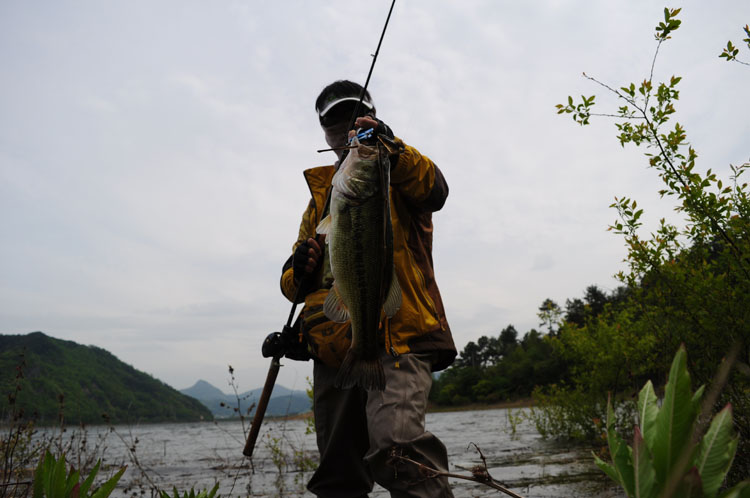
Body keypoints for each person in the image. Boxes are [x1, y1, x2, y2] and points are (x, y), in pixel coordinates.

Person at [279, 80, 456, 497]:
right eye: (334, 123)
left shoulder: (396, 171)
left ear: (372, 119)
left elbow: (436, 190)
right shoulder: (320, 199)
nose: (345, 129)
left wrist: (390, 146)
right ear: (324, 133)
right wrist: (297, 270)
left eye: (354, 117)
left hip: (399, 340)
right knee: (338, 477)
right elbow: (294, 287)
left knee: (399, 450)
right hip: (334, 352)